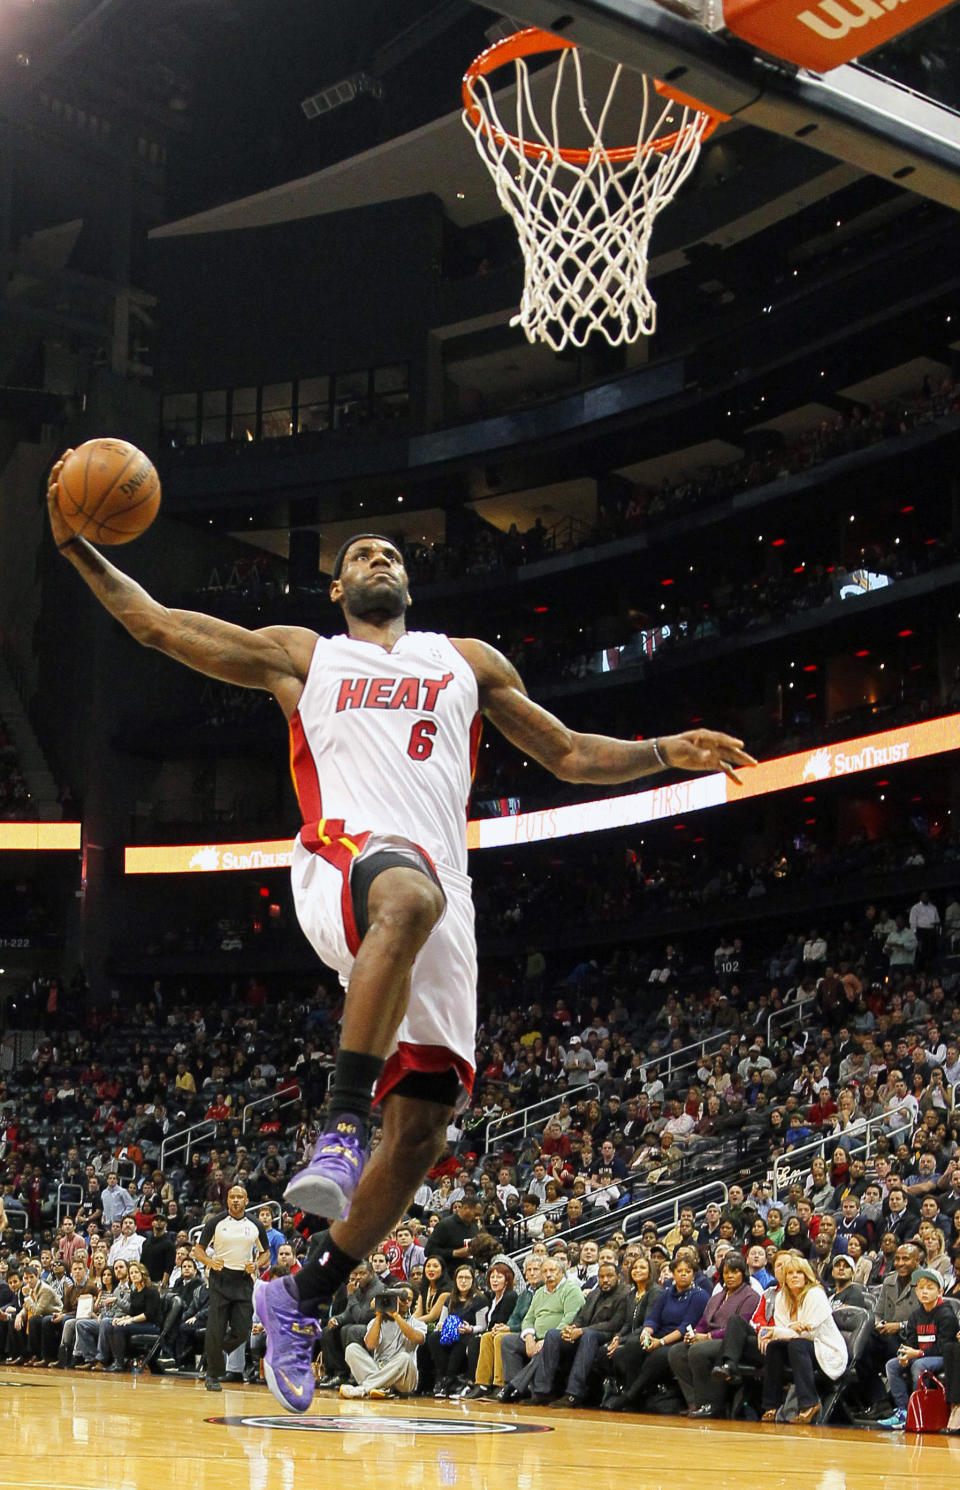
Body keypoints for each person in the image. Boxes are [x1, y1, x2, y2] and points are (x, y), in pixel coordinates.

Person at [46, 499, 754, 1415]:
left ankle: (298, 1296)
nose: (378, 557)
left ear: (407, 582)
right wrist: (76, 543)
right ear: (337, 588)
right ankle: (338, 1131)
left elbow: (571, 755)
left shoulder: (465, 662)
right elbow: (157, 625)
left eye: (390, 551)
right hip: (345, 854)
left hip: (442, 894)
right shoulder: (308, 654)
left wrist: (665, 748)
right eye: (358, 554)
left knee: (422, 1132)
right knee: (405, 894)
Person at [191, 1183, 269, 1393]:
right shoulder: (215, 1222)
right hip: (220, 1278)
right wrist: (209, 1262)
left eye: (239, 1197)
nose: (235, 1200)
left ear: (246, 1200)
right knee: (215, 1327)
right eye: (232, 1196)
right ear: (227, 1200)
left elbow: (266, 1253)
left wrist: (257, 1264)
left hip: (243, 1279)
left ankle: (214, 1351)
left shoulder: (255, 1225)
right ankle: (213, 1375)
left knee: (242, 1331)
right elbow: (198, 1250)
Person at [759, 1257, 847, 1424]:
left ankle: (809, 1403)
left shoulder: (816, 1294)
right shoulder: (781, 1298)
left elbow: (808, 1333)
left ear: (806, 1276)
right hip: (799, 1348)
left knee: (797, 1344)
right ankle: (771, 1405)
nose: (794, 1276)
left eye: (799, 1272)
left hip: (826, 1349)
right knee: (775, 1347)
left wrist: (780, 1331)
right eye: (790, 1273)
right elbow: (786, 1332)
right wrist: (781, 1332)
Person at [878, 1266, 957, 1429]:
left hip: (942, 1357)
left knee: (919, 1365)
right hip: (920, 1355)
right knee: (893, 1365)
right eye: (920, 1288)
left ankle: (920, 1410)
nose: (924, 1292)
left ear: (940, 1292)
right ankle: (903, 1411)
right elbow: (911, 1341)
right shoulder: (915, 1315)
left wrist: (918, 1354)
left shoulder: (946, 1314)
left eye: (930, 1288)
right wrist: (905, 1354)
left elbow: (945, 1347)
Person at [340, 1284, 426, 1400]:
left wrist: (396, 1315)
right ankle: (381, 1388)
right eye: (401, 1298)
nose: (405, 1302)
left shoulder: (417, 1323)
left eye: (409, 1299)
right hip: (378, 1369)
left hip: (404, 1380)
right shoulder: (375, 1322)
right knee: (352, 1348)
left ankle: (364, 1389)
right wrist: (379, 1315)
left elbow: (418, 1338)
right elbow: (371, 1345)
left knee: (404, 1357)